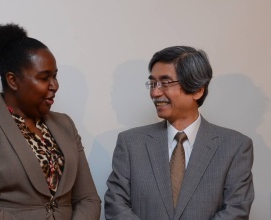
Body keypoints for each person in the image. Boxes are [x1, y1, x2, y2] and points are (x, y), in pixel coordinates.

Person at [0, 23, 101, 220]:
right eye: (44, 77)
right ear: (13, 80)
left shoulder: (65, 124)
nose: (55, 85)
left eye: (55, 76)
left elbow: (88, 198)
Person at [104, 46, 254, 219]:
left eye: (165, 83)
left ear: (197, 90)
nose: (155, 92)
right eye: (153, 83)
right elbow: (115, 205)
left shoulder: (235, 147)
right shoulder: (130, 143)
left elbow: (236, 210)